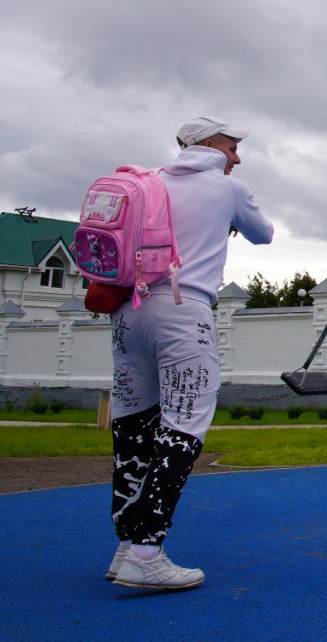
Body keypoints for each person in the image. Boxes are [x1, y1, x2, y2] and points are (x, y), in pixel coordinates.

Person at [106, 116, 274, 590]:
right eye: (233, 145)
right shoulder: (226, 188)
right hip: (183, 311)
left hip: (127, 314)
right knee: (183, 426)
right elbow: (265, 234)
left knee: (131, 426)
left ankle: (125, 545)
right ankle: (147, 551)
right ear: (208, 143)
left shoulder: (148, 183)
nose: (237, 156)